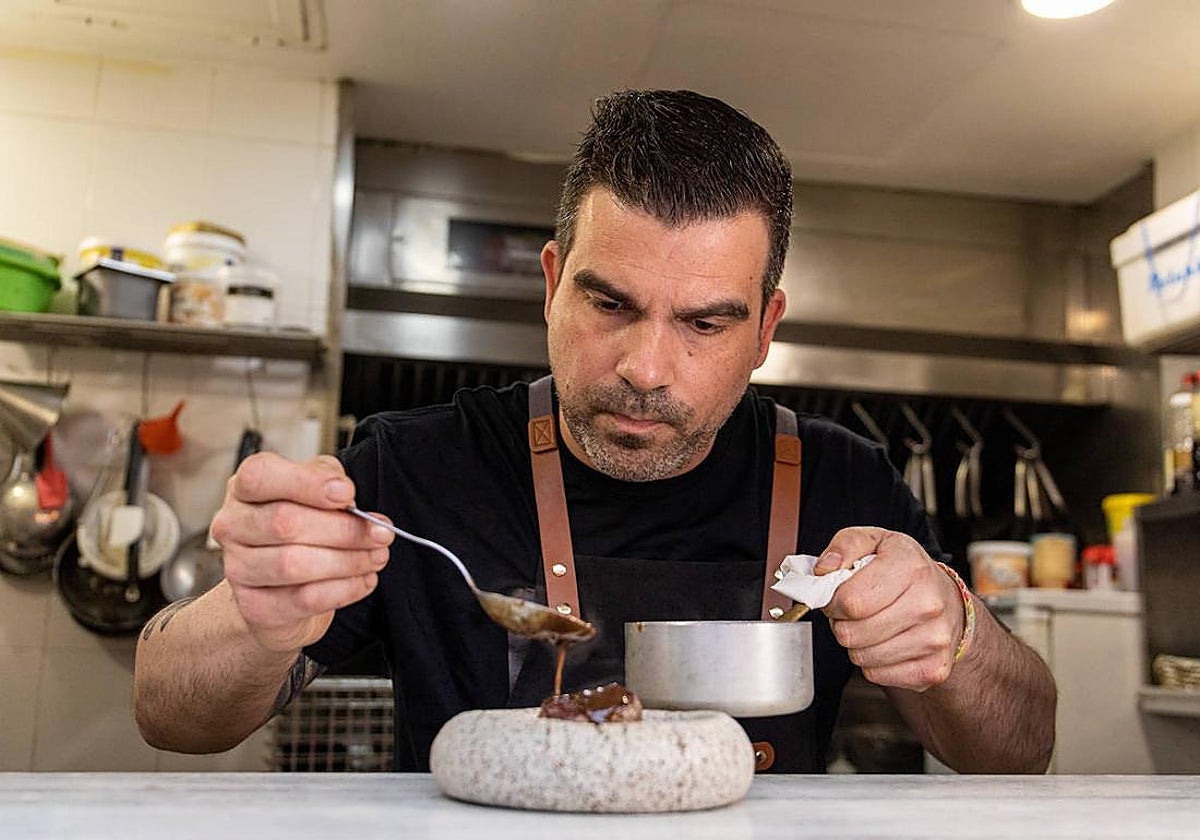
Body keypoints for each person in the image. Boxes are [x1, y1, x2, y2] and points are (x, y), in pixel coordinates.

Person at [133, 89, 1055, 774]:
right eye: (608, 302)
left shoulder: (842, 481)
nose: (645, 368)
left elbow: (1023, 749)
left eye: (704, 324)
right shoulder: (415, 468)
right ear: (550, 282)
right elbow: (170, 715)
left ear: (766, 330)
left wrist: (957, 634)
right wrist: (252, 618)